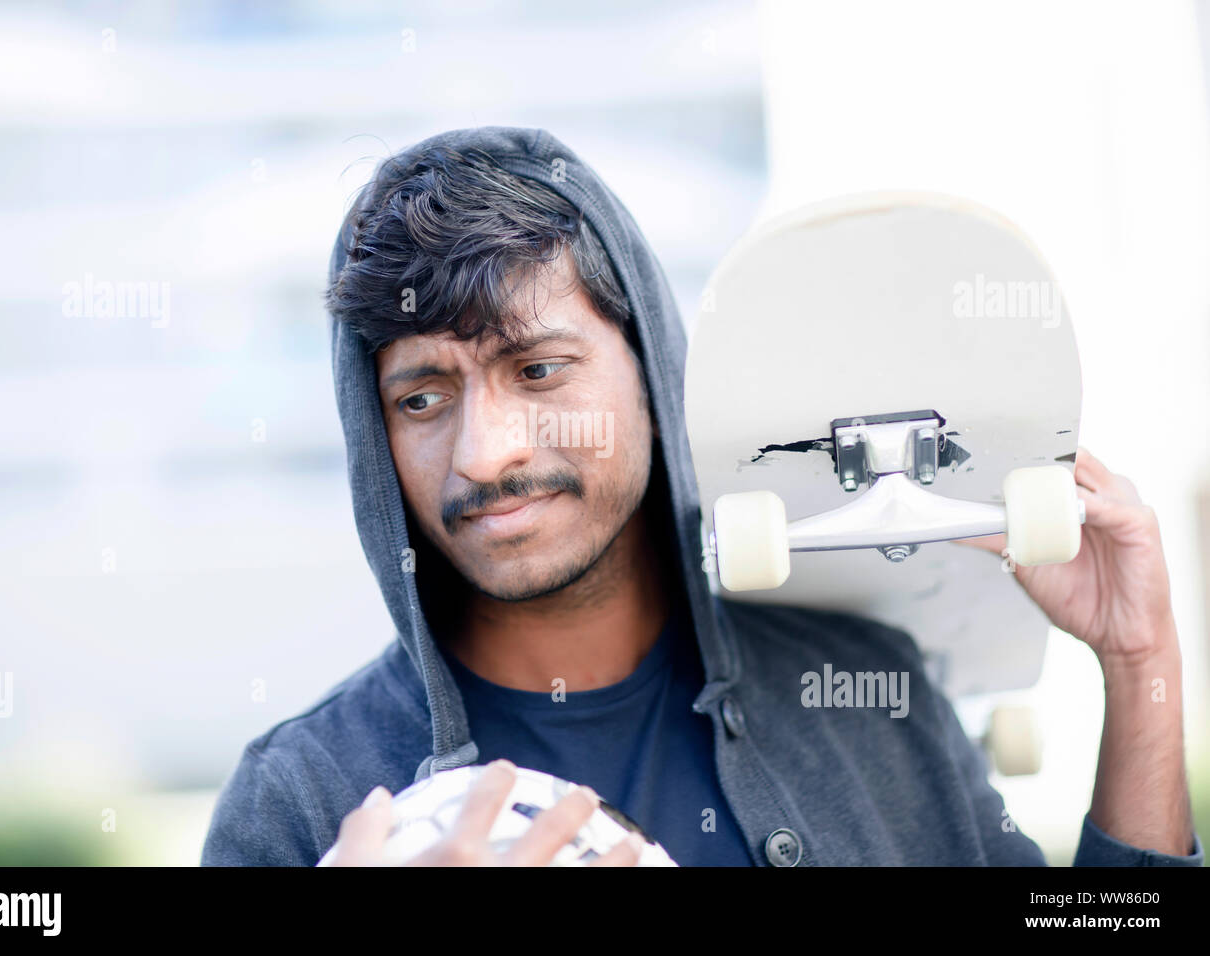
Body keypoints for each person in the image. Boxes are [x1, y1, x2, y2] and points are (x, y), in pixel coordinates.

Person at [201, 126, 1202, 866]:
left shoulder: (866, 699)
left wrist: (1140, 661)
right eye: (422, 395)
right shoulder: (298, 802)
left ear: (650, 370)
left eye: (539, 370)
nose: (486, 453)